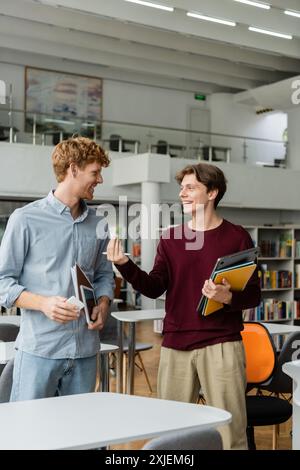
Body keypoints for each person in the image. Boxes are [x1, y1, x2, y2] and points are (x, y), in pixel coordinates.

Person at [107, 163, 261, 450]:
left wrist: (228, 298)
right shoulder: (172, 237)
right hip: (176, 344)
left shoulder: (237, 237)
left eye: (191, 187)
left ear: (212, 192)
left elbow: (253, 295)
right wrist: (125, 265)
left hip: (222, 344)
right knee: (170, 432)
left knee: (230, 432)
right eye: (182, 188)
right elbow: (154, 286)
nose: (183, 193)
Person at [0, 136, 115, 401]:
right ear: (73, 169)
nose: (99, 180)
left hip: (85, 351)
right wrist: (43, 304)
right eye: (95, 173)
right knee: (30, 435)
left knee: (80, 436)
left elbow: (103, 275)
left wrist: (105, 302)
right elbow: (3, 281)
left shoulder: (100, 224)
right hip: (40, 350)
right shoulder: (25, 219)